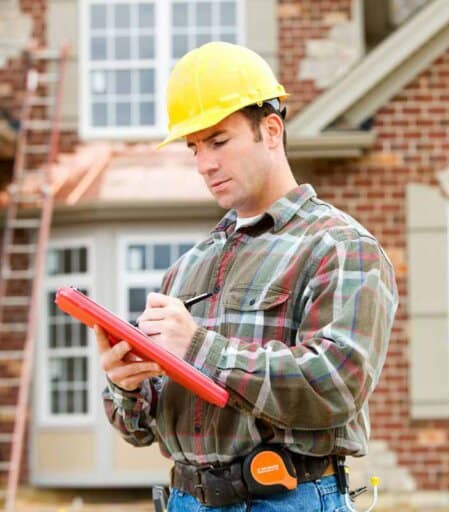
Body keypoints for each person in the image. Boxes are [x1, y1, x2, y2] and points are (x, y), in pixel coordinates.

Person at [95, 41, 398, 511]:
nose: (204, 164)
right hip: (185, 500)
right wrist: (127, 385)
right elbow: (142, 429)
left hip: (285, 497)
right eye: (194, 147)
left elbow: (336, 383)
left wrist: (199, 347)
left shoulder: (340, 246)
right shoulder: (188, 268)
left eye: (218, 141)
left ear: (271, 130)